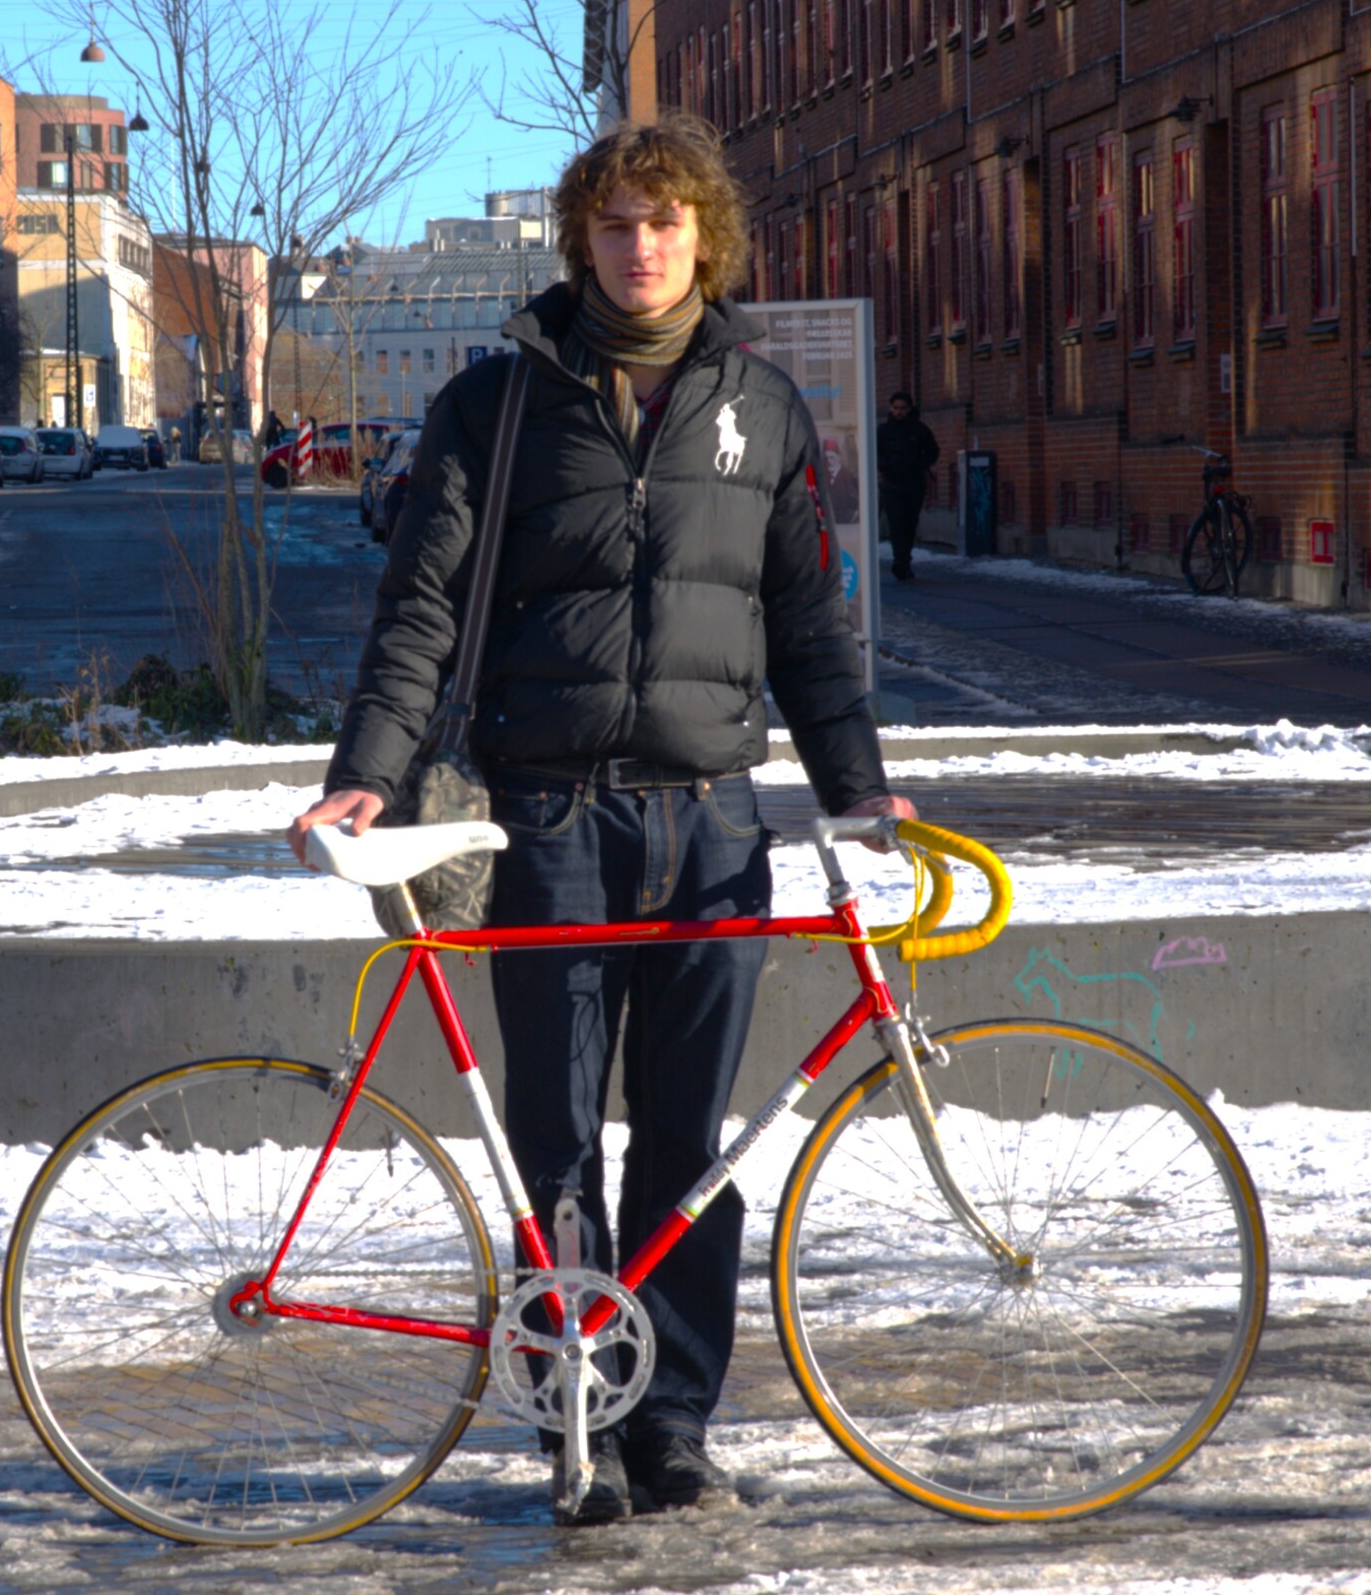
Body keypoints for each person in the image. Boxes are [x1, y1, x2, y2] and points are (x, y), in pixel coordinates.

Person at [287, 119, 914, 1527]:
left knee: (691, 1147)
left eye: (667, 222)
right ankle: (573, 1419)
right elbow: (422, 614)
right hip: (551, 822)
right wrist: (370, 770)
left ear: (706, 238)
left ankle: (674, 1422)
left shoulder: (760, 407)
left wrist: (857, 786)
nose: (642, 246)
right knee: (553, 1141)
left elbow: (811, 624)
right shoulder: (494, 406)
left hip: (712, 827)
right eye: (619, 223)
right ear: (582, 237)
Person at [877, 391, 940, 580]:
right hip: (891, 483)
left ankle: (904, 559)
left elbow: (933, 451)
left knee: (910, 523)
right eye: (895, 408)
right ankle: (900, 561)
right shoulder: (883, 431)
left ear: (909, 409)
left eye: (902, 408)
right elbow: (873, 453)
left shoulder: (919, 429)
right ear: (890, 408)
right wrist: (886, 465)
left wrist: (919, 464)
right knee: (896, 523)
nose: (899, 412)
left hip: (914, 482)